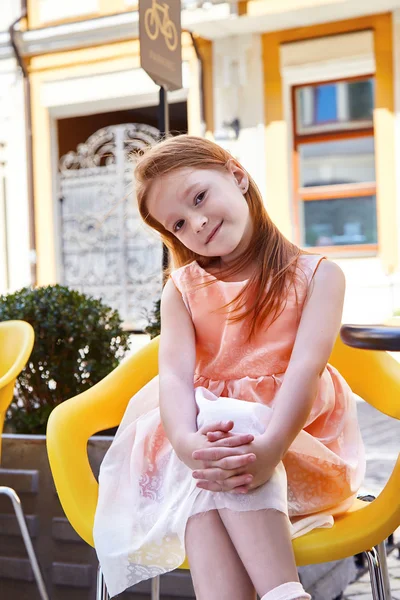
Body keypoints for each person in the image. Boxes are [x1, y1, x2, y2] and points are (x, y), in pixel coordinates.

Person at [93, 135, 365, 600]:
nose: (196, 222)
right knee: (213, 443)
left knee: (224, 431)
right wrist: (187, 445)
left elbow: (305, 371)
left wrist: (270, 447)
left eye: (199, 197)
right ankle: (284, 593)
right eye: (178, 223)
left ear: (237, 175)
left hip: (297, 450)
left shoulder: (318, 276)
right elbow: (175, 378)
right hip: (202, 458)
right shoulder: (182, 290)